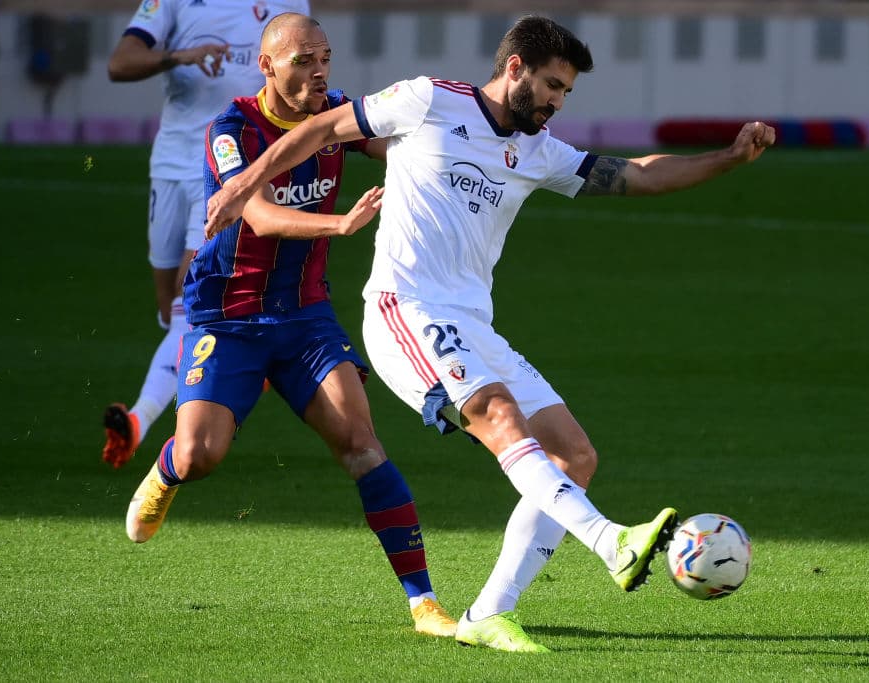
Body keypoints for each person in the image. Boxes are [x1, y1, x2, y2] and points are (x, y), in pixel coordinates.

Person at [204, 15, 776, 653]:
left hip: (474, 325)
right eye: (553, 85)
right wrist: (243, 185)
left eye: (567, 92)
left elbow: (637, 173)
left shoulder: (538, 149)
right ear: (515, 69)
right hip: (405, 311)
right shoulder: (427, 99)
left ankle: (488, 613)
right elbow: (320, 129)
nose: (558, 102)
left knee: (574, 455)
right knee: (499, 414)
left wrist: (728, 159)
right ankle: (611, 540)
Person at [123, 13, 457, 639]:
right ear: (268, 66)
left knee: (361, 443)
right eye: (303, 60)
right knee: (200, 455)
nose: (318, 72)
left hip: (304, 316)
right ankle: (167, 469)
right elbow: (260, 216)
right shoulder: (230, 130)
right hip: (229, 318)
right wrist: (341, 225)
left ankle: (424, 603)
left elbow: (399, 149)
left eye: (324, 57)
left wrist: (452, 154)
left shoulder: (334, 113)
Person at [101, 0, 310, 468]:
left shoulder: (290, 4)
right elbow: (120, 64)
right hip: (170, 163)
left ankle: (141, 421)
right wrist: (180, 56)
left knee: (187, 297)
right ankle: (248, 364)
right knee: (170, 308)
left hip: (229, 169)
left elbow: (300, 77)